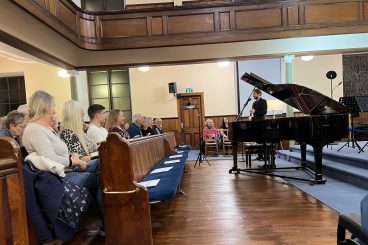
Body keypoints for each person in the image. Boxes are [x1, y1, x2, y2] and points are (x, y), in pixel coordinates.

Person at [22, 91, 93, 242]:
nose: (55, 109)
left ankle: (105, 222)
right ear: (45, 106)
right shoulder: (34, 129)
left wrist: (73, 159)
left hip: (64, 172)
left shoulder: (47, 128)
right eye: (53, 105)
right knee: (98, 176)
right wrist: (73, 160)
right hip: (56, 179)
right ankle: (107, 223)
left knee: (101, 168)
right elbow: (50, 159)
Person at [250, 88, 268, 161]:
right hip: (255, 123)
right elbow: (253, 113)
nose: (253, 95)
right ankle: (260, 155)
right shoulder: (254, 103)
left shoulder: (263, 101)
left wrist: (255, 111)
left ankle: (264, 155)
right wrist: (250, 114)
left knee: (262, 139)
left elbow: (264, 112)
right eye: (253, 94)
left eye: (254, 93)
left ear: (259, 94)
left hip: (261, 123)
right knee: (257, 140)